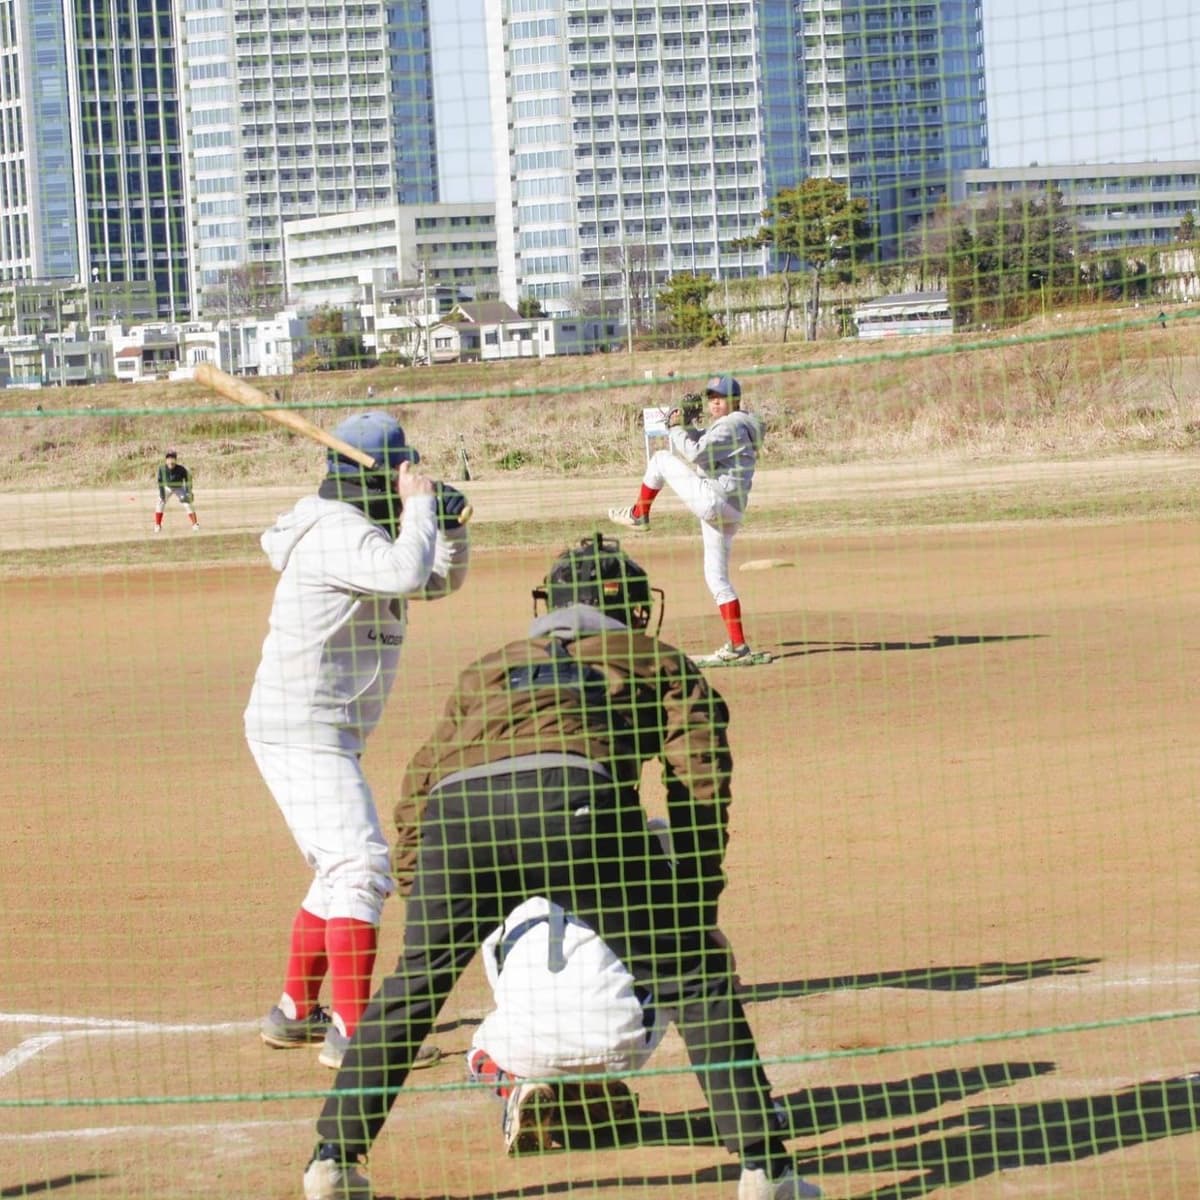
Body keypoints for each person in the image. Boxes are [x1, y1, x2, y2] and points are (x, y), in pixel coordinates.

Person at [301, 533, 819, 1200]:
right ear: (632, 608)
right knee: (694, 974)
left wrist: (420, 886)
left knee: (413, 989)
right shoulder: (658, 660)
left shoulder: (489, 667)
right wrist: (693, 902)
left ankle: (332, 1160)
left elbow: (419, 780)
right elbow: (699, 776)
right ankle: (765, 1170)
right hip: (574, 799)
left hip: (458, 819)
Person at [244, 411, 470, 1073]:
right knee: (361, 868)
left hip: (318, 727)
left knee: (339, 870)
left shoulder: (362, 530)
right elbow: (404, 573)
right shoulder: (337, 531)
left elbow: (432, 579)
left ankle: (294, 1012)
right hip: (302, 727)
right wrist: (420, 508)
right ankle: (355, 1034)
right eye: (403, 470)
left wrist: (449, 528)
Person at [464, 819, 677, 1155]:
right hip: (621, 1044)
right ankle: (589, 1088)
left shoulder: (501, 871)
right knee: (653, 979)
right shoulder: (637, 852)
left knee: (478, 1053)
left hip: (529, 1040)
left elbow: (499, 980)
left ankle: (519, 1087)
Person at [608, 374, 765, 663]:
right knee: (717, 578)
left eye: (721, 397)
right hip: (731, 510)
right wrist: (689, 426)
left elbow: (695, 453)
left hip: (715, 500)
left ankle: (639, 513)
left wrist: (675, 427)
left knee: (660, 460)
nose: (714, 402)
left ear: (734, 400)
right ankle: (738, 646)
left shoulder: (730, 425)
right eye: (711, 397)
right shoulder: (738, 425)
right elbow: (705, 446)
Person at [154, 450, 199, 532]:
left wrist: (188, 492)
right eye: (168, 458)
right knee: (160, 503)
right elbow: (160, 481)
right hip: (167, 487)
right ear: (166, 460)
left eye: (172, 458)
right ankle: (157, 525)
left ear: (175, 460)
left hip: (179, 488)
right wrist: (162, 493)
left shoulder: (181, 469)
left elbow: (188, 480)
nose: (170, 460)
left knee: (188, 504)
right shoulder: (162, 468)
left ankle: (195, 524)